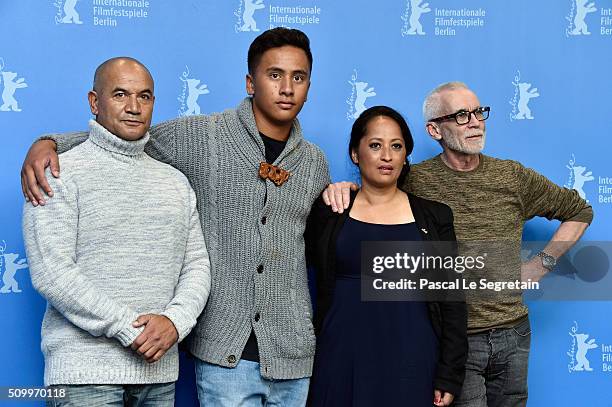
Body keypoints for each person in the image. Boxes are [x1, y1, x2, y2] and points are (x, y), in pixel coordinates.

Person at [21, 28, 330, 407]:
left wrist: (349, 193)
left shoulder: (315, 163)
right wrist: (49, 142)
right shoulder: (202, 136)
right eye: (275, 75)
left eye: (298, 78)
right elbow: (127, 135)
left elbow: (325, 244)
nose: (287, 88)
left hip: (290, 352)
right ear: (251, 82)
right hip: (222, 350)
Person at [322, 82, 593, 407]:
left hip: (514, 332)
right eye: (462, 115)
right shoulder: (416, 180)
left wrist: (542, 264)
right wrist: (342, 189)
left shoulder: (512, 177)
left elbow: (579, 210)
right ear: (434, 130)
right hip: (456, 340)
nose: (476, 121)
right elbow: (377, 186)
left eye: (479, 112)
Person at [22, 57, 211, 406]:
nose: (134, 107)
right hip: (84, 376)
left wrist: (174, 322)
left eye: (145, 96)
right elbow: (52, 272)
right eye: (120, 94)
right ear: (95, 102)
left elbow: (197, 265)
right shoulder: (58, 172)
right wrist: (128, 327)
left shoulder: (175, 182)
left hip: (159, 377)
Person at [305, 106, 467, 407]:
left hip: (414, 360)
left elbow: (453, 302)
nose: (387, 156)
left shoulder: (435, 217)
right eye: (375, 145)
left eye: (397, 146)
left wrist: (450, 373)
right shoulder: (330, 211)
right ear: (355, 153)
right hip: (341, 356)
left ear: (406, 155)